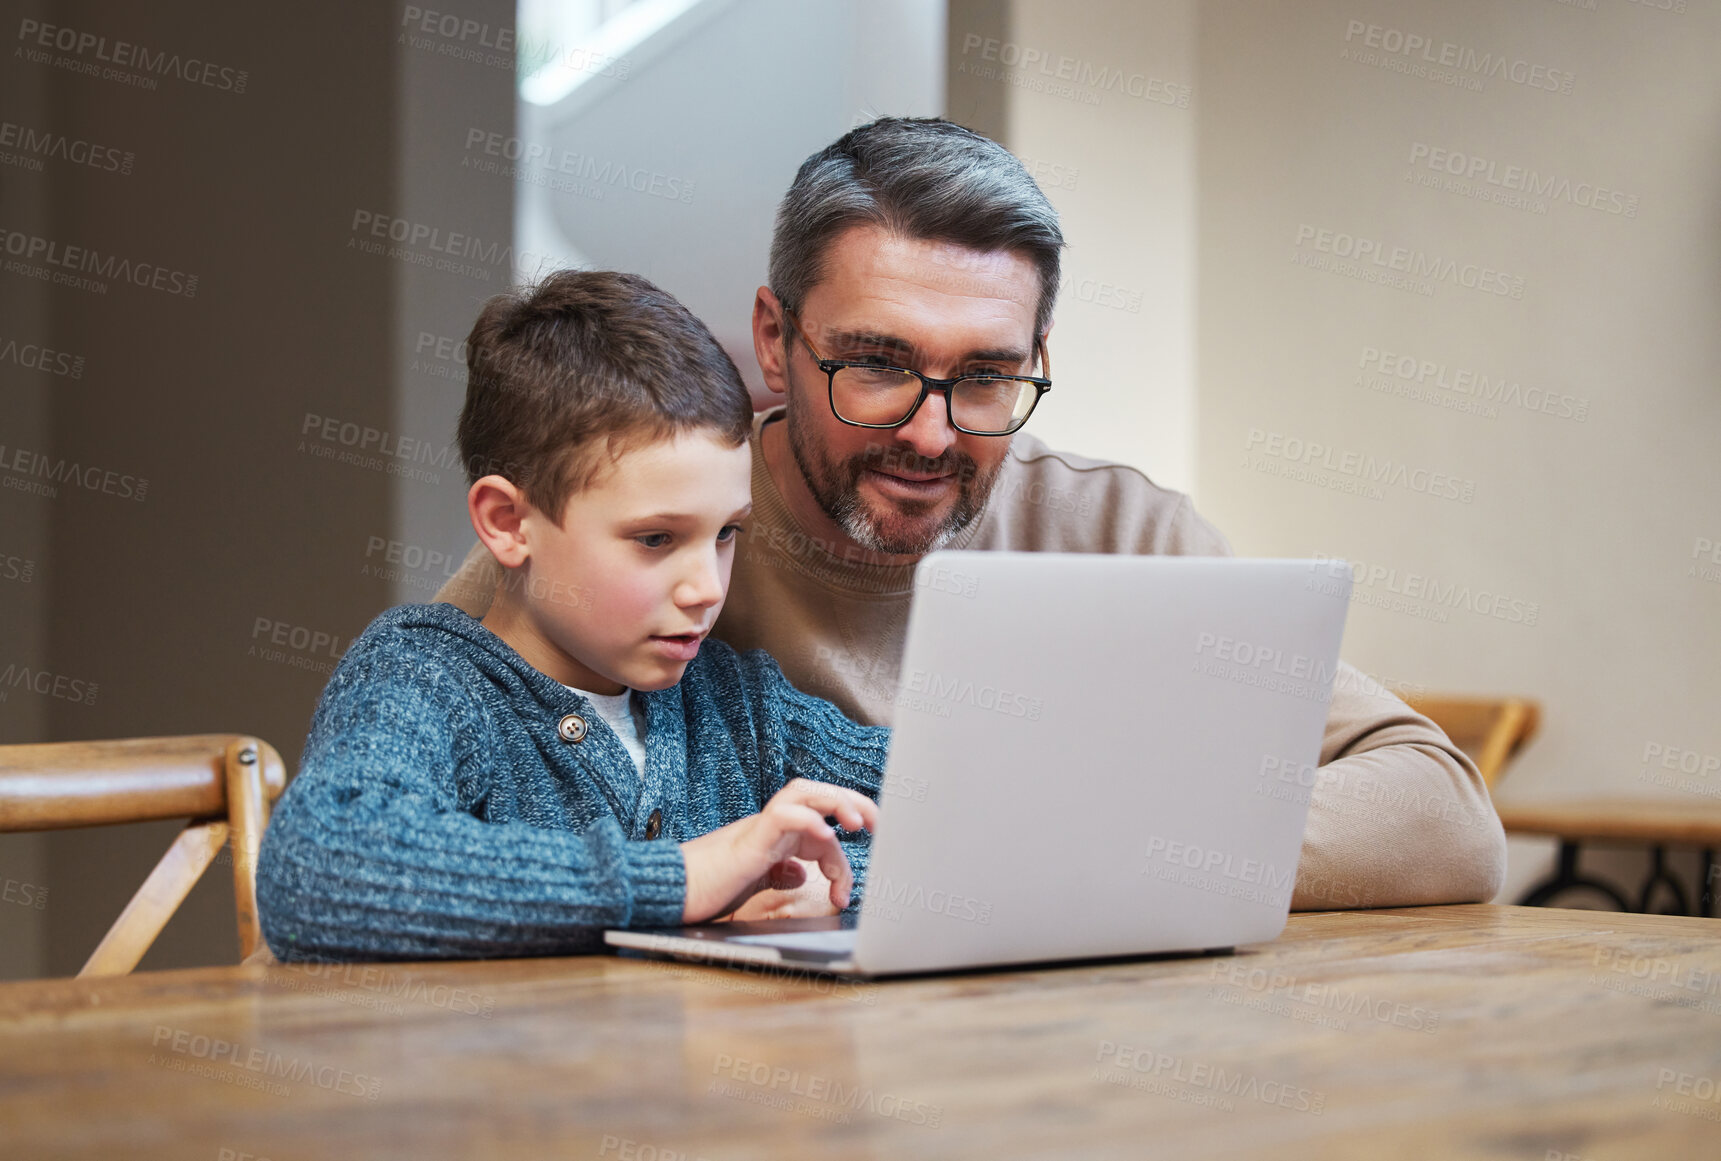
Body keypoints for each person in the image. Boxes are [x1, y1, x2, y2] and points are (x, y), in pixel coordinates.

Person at [439, 116, 1508, 916]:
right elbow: (415, 834)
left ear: (1037, 362)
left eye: (986, 377)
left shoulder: (1121, 535)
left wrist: (1074, 861)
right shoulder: (642, 533)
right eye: (874, 365)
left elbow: (1441, 817)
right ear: (774, 341)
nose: (932, 435)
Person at [256, 270, 886, 962]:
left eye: (727, 533)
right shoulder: (427, 679)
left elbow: (948, 805)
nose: (707, 588)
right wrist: (683, 880)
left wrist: (827, 882)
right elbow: (320, 869)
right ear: (508, 523)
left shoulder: (738, 704)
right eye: (655, 539)